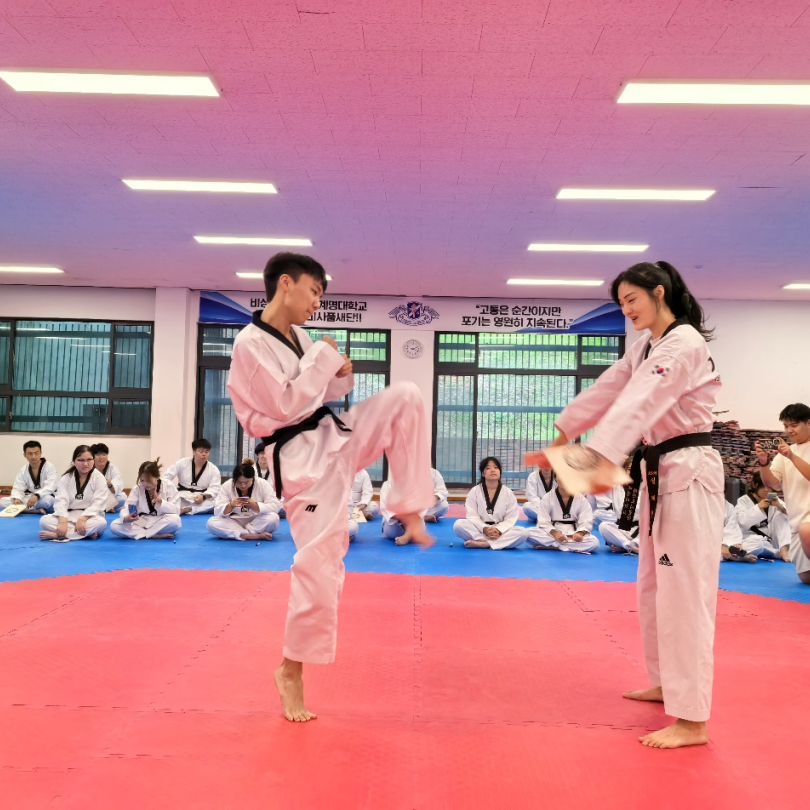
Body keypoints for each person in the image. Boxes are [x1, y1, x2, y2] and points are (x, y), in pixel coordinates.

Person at [227, 252, 434, 722]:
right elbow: (284, 405)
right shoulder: (249, 344)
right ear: (286, 283)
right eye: (315, 291)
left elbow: (322, 394)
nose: (318, 303)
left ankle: (407, 504)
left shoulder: (300, 338)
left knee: (406, 397)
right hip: (301, 461)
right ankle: (290, 671)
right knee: (320, 569)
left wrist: (340, 373)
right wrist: (323, 359)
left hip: (332, 437)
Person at [526, 260, 724, 750]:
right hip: (660, 472)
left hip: (689, 471)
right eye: (620, 304)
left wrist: (593, 463)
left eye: (632, 299)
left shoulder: (683, 343)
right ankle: (666, 683)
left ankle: (693, 720)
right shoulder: (647, 346)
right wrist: (565, 431)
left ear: (659, 293)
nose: (627, 310)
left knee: (685, 595)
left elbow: (639, 404)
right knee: (653, 587)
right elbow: (609, 389)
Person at [754, 406, 810, 583]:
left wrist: (792, 456)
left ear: (808, 423)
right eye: (786, 426)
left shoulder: (789, 453)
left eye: (793, 425)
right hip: (796, 520)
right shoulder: (783, 454)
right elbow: (770, 483)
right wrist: (763, 462)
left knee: (807, 529)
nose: (789, 430)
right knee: (806, 578)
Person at [453, 457, 529, 549]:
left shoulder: (508, 492)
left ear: (500, 472)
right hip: (480, 530)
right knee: (459, 525)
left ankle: (485, 543)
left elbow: (511, 517)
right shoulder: (475, 491)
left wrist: (499, 530)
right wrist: (485, 528)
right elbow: (472, 515)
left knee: (523, 533)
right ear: (483, 473)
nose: (493, 470)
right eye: (488, 468)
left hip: (500, 532)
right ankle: (495, 543)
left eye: (496, 467)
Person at [39, 445, 108, 542]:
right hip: (68, 516)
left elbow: (98, 503)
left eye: (89, 460)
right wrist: (63, 522)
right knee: (44, 521)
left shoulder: (99, 478)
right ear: (74, 461)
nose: (85, 464)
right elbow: (61, 501)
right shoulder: (66, 478)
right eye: (81, 460)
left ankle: (58, 535)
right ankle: (84, 534)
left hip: (90, 517)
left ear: (93, 460)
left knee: (101, 523)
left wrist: (82, 519)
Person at [207, 459, 282, 541]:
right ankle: (252, 535)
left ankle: (241, 534)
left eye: (247, 482)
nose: (243, 486)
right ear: (234, 479)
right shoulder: (227, 485)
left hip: (256, 520)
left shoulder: (263, 484)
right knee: (211, 523)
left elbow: (275, 505)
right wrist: (230, 505)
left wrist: (256, 506)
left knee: (274, 518)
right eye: (239, 482)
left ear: (252, 478)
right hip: (235, 521)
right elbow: (217, 510)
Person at [110, 459, 182, 540]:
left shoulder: (168, 485)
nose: (145, 484)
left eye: (149, 480)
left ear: (157, 477)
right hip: (141, 521)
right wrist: (126, 518)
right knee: (114, 525)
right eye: (142, 480)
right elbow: (128, 507)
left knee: (176, 521)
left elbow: (177, 510)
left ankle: (143, 534)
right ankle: (153, 534)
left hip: (160, 520)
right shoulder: (137, 489)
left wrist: (161, 502)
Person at [525, 480, 599, 554]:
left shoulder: (581, 499)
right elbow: (543, 521)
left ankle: (553, 546)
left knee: (594, 543)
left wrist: (580, 533)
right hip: (552, 534)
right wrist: (555, 533)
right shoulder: (548, 497)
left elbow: (586, 521)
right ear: (556, 479)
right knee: (528, 533)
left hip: (573, 534)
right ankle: (568, 546)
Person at [731, 472, 790, 562]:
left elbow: (791, 517)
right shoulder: (743, 500)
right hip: (750, 539)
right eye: (763, 486)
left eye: (769, 487)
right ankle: (776, 553)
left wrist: (780, 507)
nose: (766, 490)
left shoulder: (774, 499)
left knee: (782, 514)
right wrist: (758, 508)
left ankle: (783, 549)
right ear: (755, 485)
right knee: (757, 544)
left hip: (771, 540)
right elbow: (742, 522)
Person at [163, 439, 221, 515]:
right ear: (194, 451)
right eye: (201, 451)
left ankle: (186, 509)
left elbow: (215, 488)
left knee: (216, 502)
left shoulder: (213, 469)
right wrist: (170, 491)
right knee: (169, 499)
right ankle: (193, 509)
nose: (204, 454)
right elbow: (165, 478)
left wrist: (203, 496)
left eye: (206, 452)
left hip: (201, 498)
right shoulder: (182, 463)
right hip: (182, 496)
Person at [0, 440, 57, 514]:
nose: (33, 456)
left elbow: (51, 486)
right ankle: (35, 510)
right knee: (3, 502)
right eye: (30, 454)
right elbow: (18, 487)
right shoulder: (24, 470)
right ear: (24, 455)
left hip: (45, 497)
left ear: (41, 453)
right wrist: (17, 498)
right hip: (31, 498)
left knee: (46, 501)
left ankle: (25, 509)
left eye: (36, 453)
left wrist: (37, 495)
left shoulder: (49, 467)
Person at [599, 483, 641, 554]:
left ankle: (625, 546)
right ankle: (629, 546)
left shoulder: (644, 486)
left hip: (640, 530)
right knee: (603, 526)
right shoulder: (616, 486)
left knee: (652, 526)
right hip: (622, 529)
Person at [90, 442, 126, 512]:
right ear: (92, 457)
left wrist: (110, 485)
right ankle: (107, 508)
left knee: (122, 497)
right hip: (94, 498)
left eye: (104, 454)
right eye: (98, 454)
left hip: (108, 498)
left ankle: (104, 508)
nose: (101, 457)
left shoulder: (112, 468)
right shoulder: (89, 468)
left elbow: (119, 484)